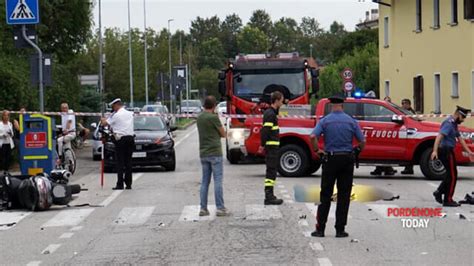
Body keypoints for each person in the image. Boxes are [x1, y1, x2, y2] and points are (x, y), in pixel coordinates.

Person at [310, 95, 365, 238]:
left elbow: (312, 137)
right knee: (344, 196)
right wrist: (356, 150)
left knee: (325, 195)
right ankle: (340, 230)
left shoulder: (325, 121)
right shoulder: (351, 121)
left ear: (330, 106)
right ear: (343, 105)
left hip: (330, 159)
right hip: (347, 159)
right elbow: (362, 141)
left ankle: (320, 229)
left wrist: (317, 151)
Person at [431, 106, 473, 207]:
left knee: (450, 175)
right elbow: (439, 137)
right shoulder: (449, 124)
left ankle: (439, 191)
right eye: (463, 118)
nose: (463, 121)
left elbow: (460, 139)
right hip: (445, 151)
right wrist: (434, 151)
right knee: (453, 176)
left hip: (448, 150)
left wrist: (470, 152)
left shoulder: (453, 124)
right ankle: (448, 199)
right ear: (458, 115)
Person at [196, 96, 229, 217]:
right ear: (214, 106)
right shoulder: (214, 118)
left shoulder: (199, 118)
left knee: (205, 181)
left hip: (203, 153)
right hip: (215, 153)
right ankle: (220, 208)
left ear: (204, 105)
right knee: (218, 181)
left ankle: (203, 208)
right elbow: (223, 133)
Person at [101, 98, 135, 190]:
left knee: (120, 163)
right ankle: (128, 184)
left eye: (113, 107)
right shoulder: (129, 113)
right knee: (128, 162)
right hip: (130, 138)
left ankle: (120, 184)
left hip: (120, 139)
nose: (113, 109)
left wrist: (103, 119)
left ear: (116, 105)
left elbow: (104, 124)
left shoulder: (116, 115)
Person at [259, 91, 285, 205]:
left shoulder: (271, 113)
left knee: (272, 171)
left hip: (272, 146)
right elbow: (265, 131)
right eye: (281, 100)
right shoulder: (270, 114)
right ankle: (269, 197)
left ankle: (270, 195)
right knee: (271, 172)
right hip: (271, 147)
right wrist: (262, 145)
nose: (283, 102)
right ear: (277, 100)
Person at [371, 96, 397, 176]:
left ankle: (388, 169)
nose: (387, 102)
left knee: (387, 153)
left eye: (389, 101)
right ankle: (380, 169)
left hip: (389, 133)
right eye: (386, 101)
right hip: (381, 133)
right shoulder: (382, 111)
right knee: (380, 152)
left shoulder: (391, 111)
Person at [400, 99, 416, 175]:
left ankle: (409, 168)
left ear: (409, 105)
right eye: (403, 103)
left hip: (411, 133)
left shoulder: (411, 112)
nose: (404, 105)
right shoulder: (402, 111)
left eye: (406, 103)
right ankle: (408, 168)